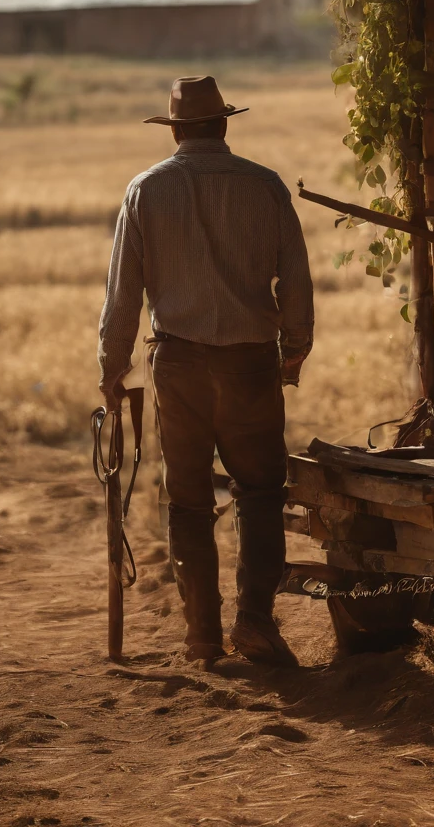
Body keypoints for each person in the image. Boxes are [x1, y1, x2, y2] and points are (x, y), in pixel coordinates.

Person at [98, 75, 314, 667]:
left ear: (176, 130)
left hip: (180, 365)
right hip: (249, 363)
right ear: (223, 124)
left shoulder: (145, 190)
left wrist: (113, 369)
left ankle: (202, 636)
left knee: (189, 500)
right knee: (262, 492)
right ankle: (256, 621)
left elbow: (125, 293)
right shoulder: (265, 187)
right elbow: (294, 276)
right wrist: (293, 349)